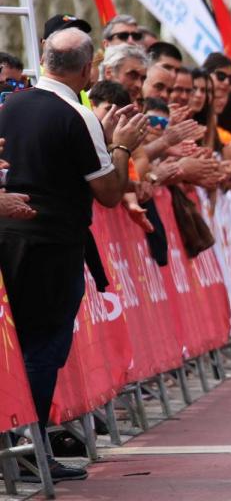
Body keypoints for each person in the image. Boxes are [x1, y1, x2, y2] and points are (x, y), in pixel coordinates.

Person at [0, 28, 147, 482]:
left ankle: (22, 448)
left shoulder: (9, 106)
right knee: (43, 348)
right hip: (53, 246)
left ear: (44, 60)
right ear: (87, 70)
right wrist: (121, 145)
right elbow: (109, 192)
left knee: (17, 347)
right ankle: (31, 450)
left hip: (9, 240)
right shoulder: (78, 115)